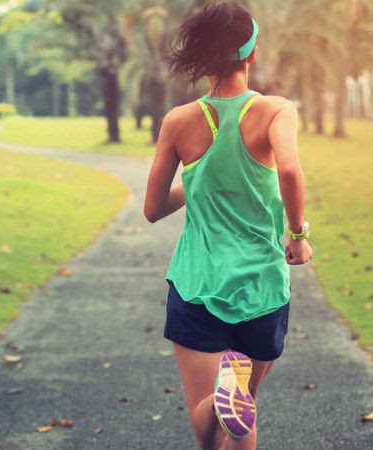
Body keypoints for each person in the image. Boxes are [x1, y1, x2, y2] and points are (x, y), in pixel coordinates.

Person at [143, 2, 312, 449]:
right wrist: (297, 236)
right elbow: (291, 171)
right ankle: (228, 399)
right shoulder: (276, 110)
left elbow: (153, 208)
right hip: (261, 287)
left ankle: (222, 401)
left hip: (197, 284)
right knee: (244, 409)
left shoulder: (179, 121)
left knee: (216, 421)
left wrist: (197, 184)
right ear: (251, 55)